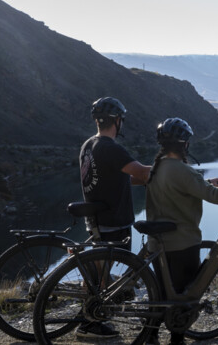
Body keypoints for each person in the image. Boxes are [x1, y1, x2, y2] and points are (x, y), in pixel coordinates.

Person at [145, 117, 218, 345]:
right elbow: (216, 197)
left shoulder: (158, 167)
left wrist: (207, 180)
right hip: (181, 242)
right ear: (184, 144)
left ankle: (150, 336)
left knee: (162, 294)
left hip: (159, 242)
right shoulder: (181, 170)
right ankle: (176, 339)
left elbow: (183, 183)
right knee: (184, 295)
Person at [78, 96, 152, 338]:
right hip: (112, 219)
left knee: (96, 273)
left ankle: (87, 316)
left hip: (96, 218)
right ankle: (91, 325)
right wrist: (173, 170)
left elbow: (120, 178)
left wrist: (143, 179)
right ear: (117, 121)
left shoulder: (89, 144)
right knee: (101, 278)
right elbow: (141, 172)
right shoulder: (111, 148)